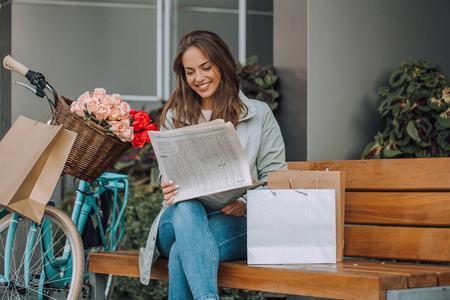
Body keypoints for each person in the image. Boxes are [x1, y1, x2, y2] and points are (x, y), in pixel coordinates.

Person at [139, 30, 287, 300]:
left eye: (206, 67)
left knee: (182, 253)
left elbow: (276, 179)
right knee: (186, 207)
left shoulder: (258, 114)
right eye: (190, 71)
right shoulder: (174, 117)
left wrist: (246, 203)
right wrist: (168, 187)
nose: (199, 78)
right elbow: (168, 175)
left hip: (235, 219)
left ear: (222, 64)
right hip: (178, 219)